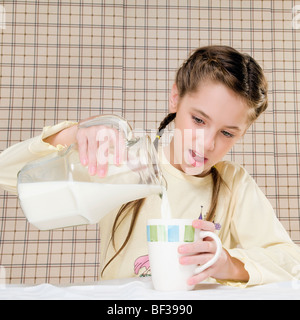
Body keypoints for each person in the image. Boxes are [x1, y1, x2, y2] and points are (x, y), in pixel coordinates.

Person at [1, 45, 300, 287]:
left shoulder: (234, 185)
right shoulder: (125, 159)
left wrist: (228, 263)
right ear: (175, 98)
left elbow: (290, 260)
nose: (207, 143)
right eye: (198, 119)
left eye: (227, 133)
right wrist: (71, 136)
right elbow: (5, 173)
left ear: (242, 133)